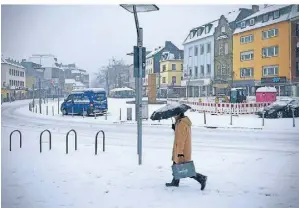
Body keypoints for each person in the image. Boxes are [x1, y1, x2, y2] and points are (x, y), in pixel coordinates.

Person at [166, 112, 207, 190]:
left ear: (179, 114)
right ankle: (175, 182)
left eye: (175, 114)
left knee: (185, 169)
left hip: (181, 150)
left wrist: (180, 153)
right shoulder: (181, 122)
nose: (174, 116)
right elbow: (180, 135)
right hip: (180, 149)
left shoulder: (182, 123)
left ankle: (201, 178)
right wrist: (175, 128)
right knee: (176, 165)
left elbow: (181, 140)